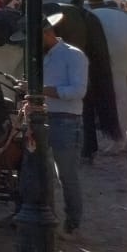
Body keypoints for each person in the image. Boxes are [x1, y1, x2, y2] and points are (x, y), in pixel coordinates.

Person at [40, 16, 88, 233]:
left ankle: (72, 222)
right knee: (36, 170)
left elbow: (78, 91)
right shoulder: (41, 56)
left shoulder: (73, 55)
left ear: (47, 33)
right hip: (43, 117)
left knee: (66, 175)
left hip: (66, 120)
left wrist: (42, 90)